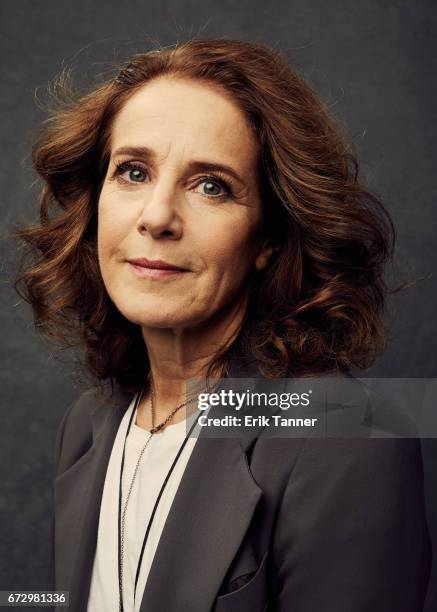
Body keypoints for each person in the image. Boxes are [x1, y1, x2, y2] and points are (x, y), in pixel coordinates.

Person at [14, 38, 431, 611]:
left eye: (212, 186)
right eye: (133, 171)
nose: (157, 217)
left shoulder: (348, 437)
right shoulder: (90, 424)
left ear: (268, 238)